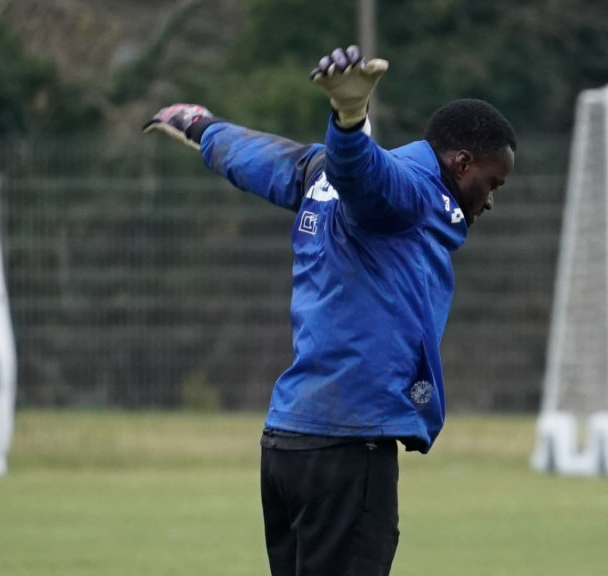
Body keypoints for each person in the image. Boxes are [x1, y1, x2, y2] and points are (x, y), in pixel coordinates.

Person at [144, 45, 516, 576]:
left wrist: (202, 128)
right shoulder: (409, 193)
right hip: (347, 448)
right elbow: (364, 175)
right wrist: (350, 121)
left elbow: (260, 159)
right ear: (462, 164)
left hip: (290, 444)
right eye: (493, 183)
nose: (490, 200)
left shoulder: (318, 173)